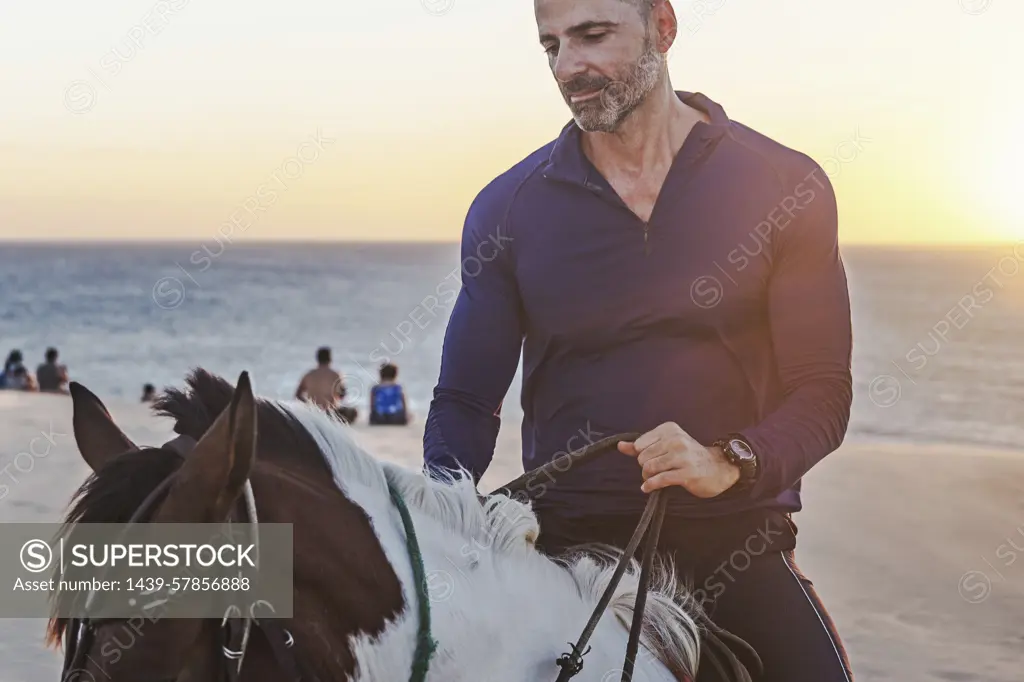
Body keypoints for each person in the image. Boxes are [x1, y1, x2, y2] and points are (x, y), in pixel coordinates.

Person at [423, 2, 854, 680]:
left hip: (731, 540)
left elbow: (822, 391)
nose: (569, 66)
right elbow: (466, 402)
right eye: (551, 46)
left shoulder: (784, 185)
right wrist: (441, 506)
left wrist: (728, 459)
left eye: (592, 36)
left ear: (664, 27)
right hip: (564, 539)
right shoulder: (509, 207)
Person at [295, 347, 357, 424]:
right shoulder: (335, 374)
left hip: (313, 411)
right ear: (330, 359)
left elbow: (298, 395)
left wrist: (308, 404)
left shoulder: (308, 374)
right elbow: (342, 395)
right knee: (354, 411)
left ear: (317, 358)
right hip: (330, 412)